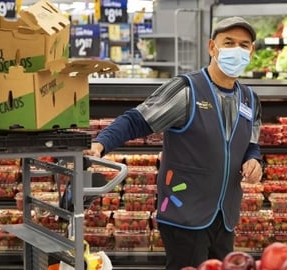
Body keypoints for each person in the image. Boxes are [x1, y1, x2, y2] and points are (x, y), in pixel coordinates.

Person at [83, 16, 263, 269]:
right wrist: (101, 144)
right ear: (212, 47)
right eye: (229, 42)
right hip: (184, 214)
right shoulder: (186, 90)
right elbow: (137, 119)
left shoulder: (250, 99)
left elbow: (251, 142)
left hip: (225, 216)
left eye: (244, 45)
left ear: (251, 51)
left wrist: (253, 159)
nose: (237, 50)